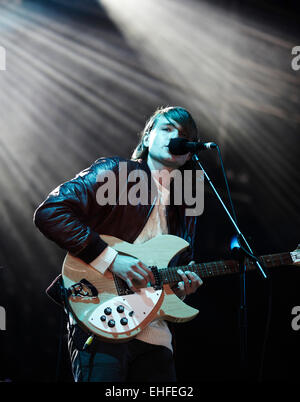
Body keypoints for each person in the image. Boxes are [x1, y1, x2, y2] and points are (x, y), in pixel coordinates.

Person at [34, 105, 203, 382]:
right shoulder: (116, 172)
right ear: (147, 137)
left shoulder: (186, 206)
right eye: (167, 129)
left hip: (156, 335)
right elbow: (51, 212)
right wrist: (113, 259)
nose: (175, 137)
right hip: (100, 315)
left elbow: (176, 270)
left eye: (184, 134)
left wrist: (184, 289)